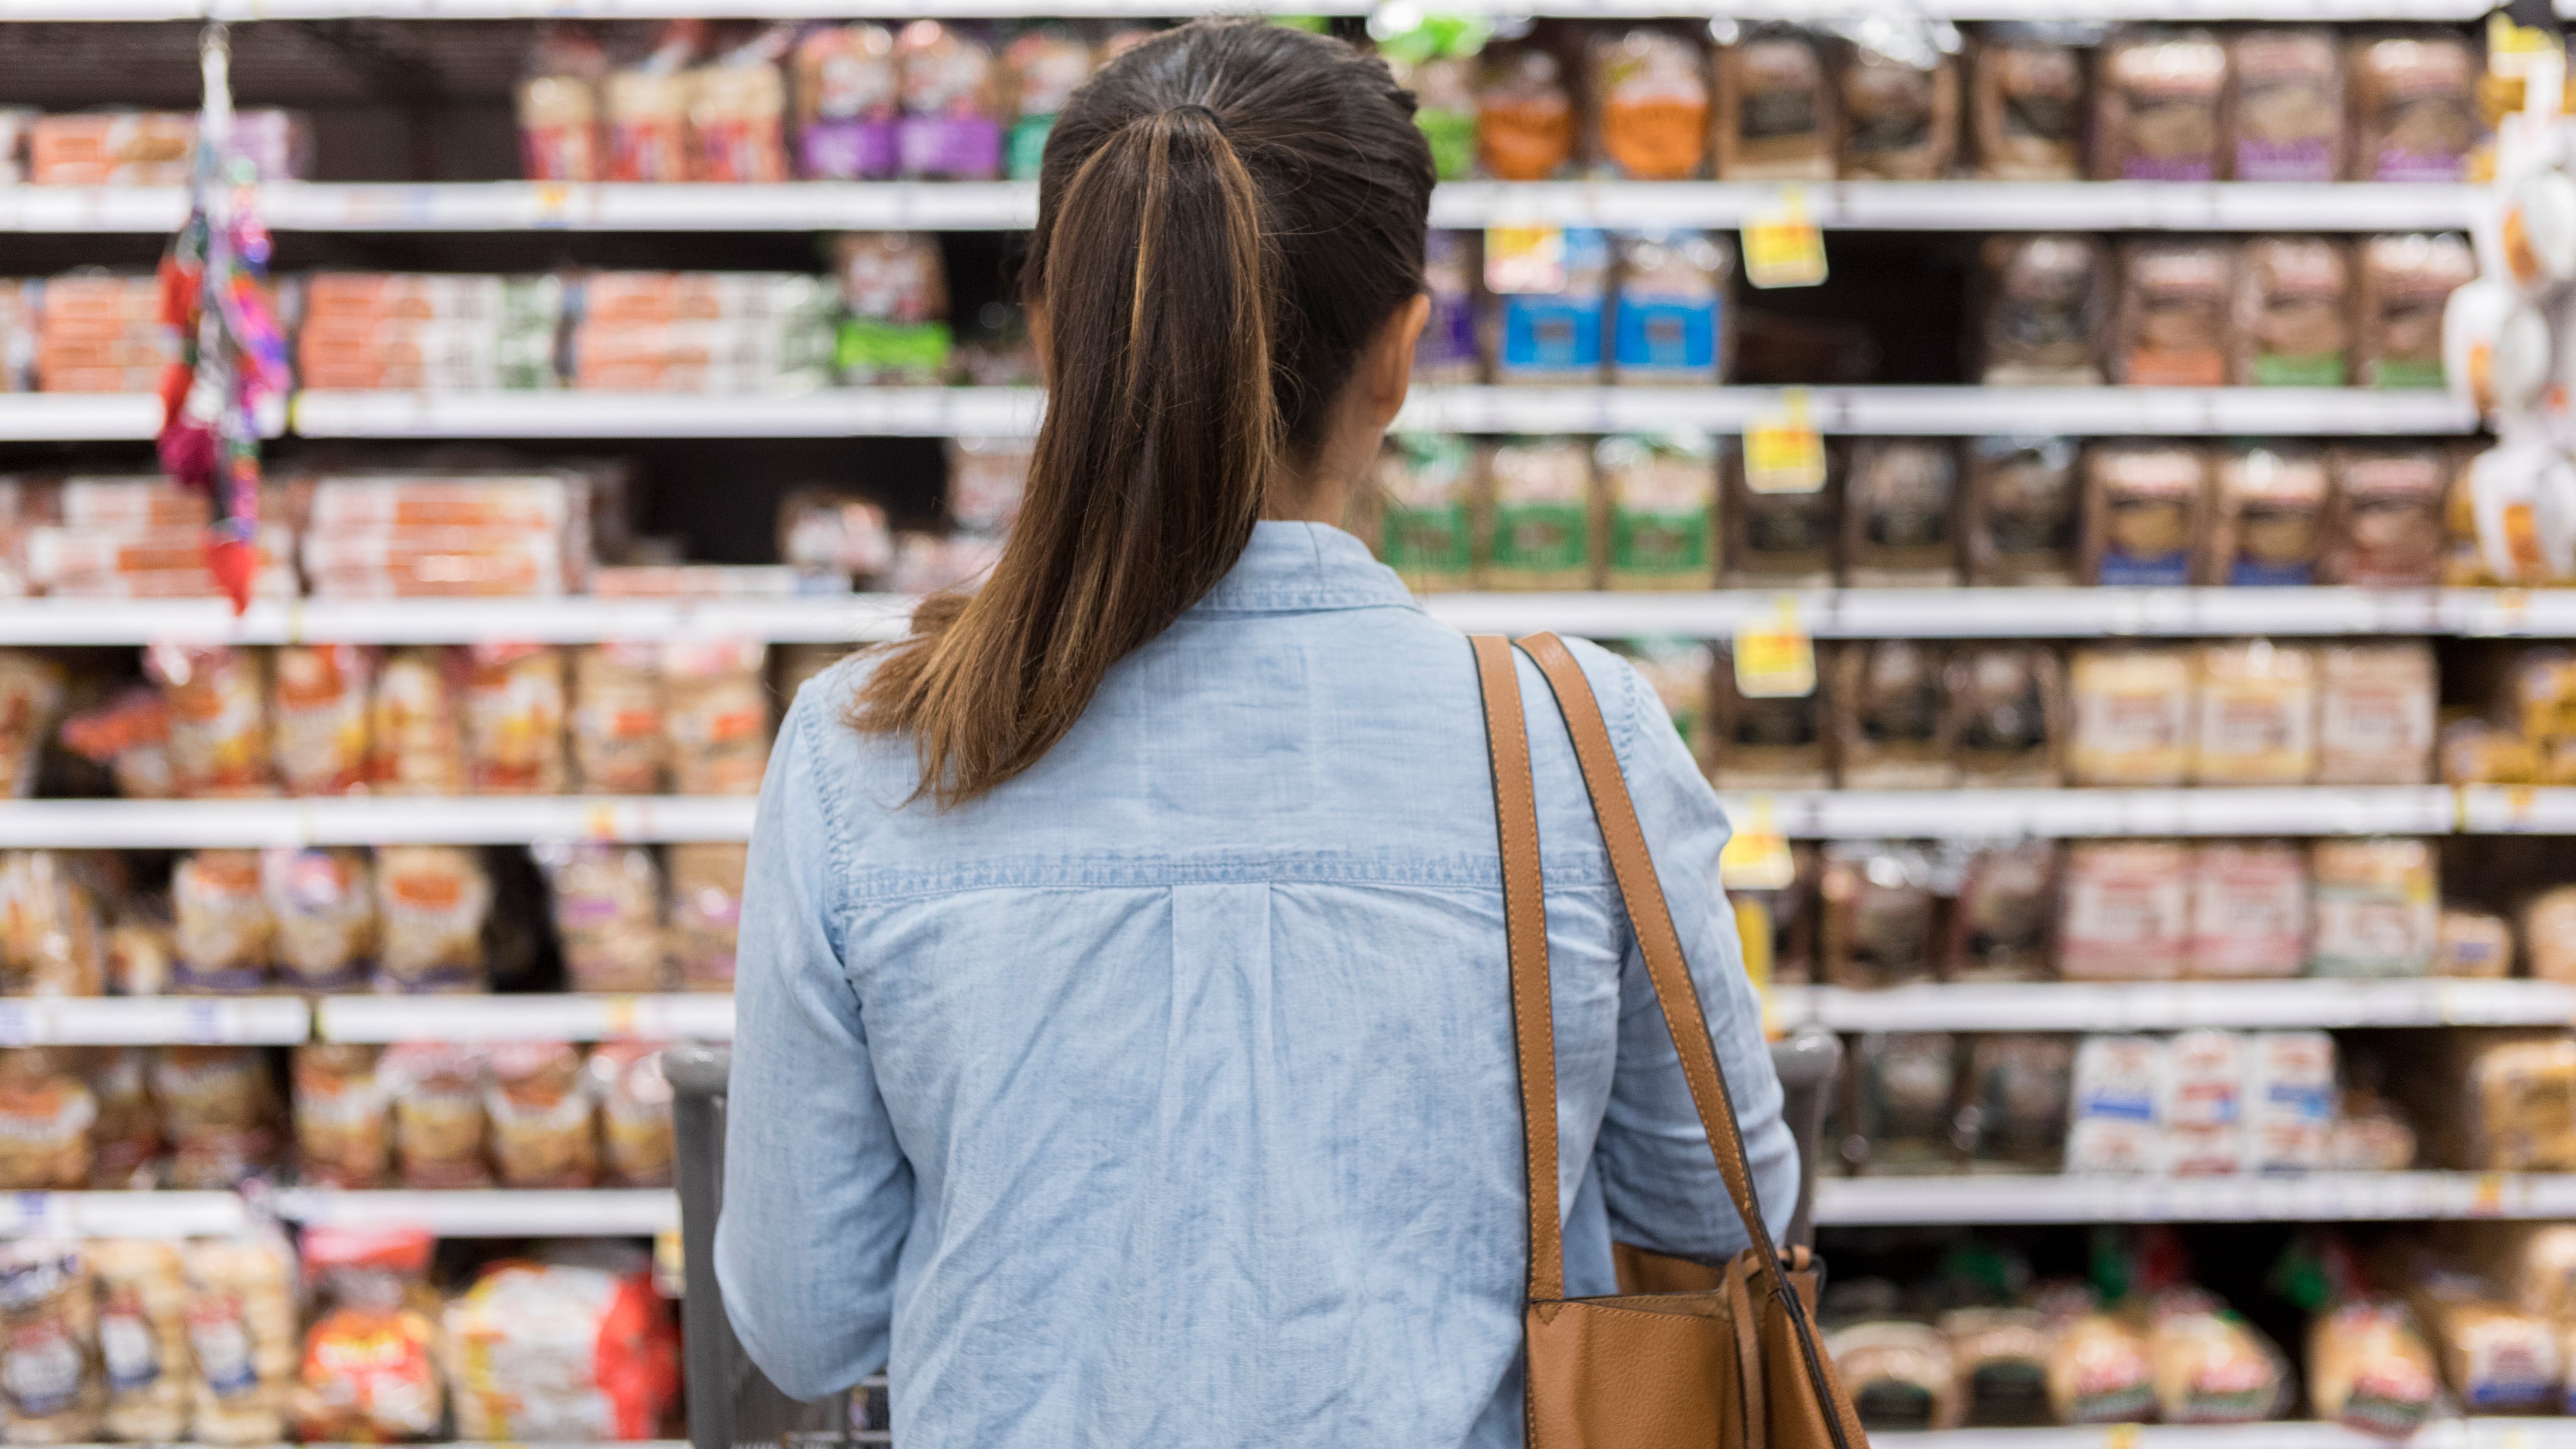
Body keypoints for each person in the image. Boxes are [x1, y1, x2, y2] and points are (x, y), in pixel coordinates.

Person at [715, 19, 1796, 1446]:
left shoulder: (866, 752)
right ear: (1401, 353)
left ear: (1055, 339)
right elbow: (1727, 1220)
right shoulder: (1573, 734)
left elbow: (808, 1313)